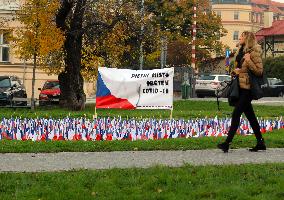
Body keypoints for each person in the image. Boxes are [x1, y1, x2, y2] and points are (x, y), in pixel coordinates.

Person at [218, 31, 266, 153]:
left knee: (236, 114)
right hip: (241, 87)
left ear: (247, 39)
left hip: (248, 89)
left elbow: (259, 72)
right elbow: (241, 69)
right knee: (251, 117)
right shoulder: (241, 52)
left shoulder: (253, 53)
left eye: (241, 37)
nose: (239, 38)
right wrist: (236, 71)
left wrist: (249, 60)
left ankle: (227, 143)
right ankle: (260, 142)